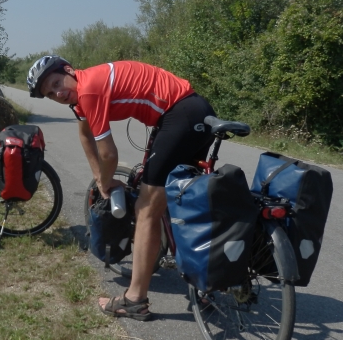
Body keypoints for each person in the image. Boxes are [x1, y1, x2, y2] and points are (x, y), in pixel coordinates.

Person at [27, 55, 216, 321]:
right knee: (182, 197)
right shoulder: (81, 95)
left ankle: (134, 300)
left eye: (57, 82)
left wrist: (105, 181)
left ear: (69, 71)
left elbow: (109, 156)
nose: (58, 93)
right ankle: (208, 281)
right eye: (50, 93)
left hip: (179, 114)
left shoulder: (90, 88)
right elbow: (85, 134)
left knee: (147, 206)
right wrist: (98, 177)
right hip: (193, 110)